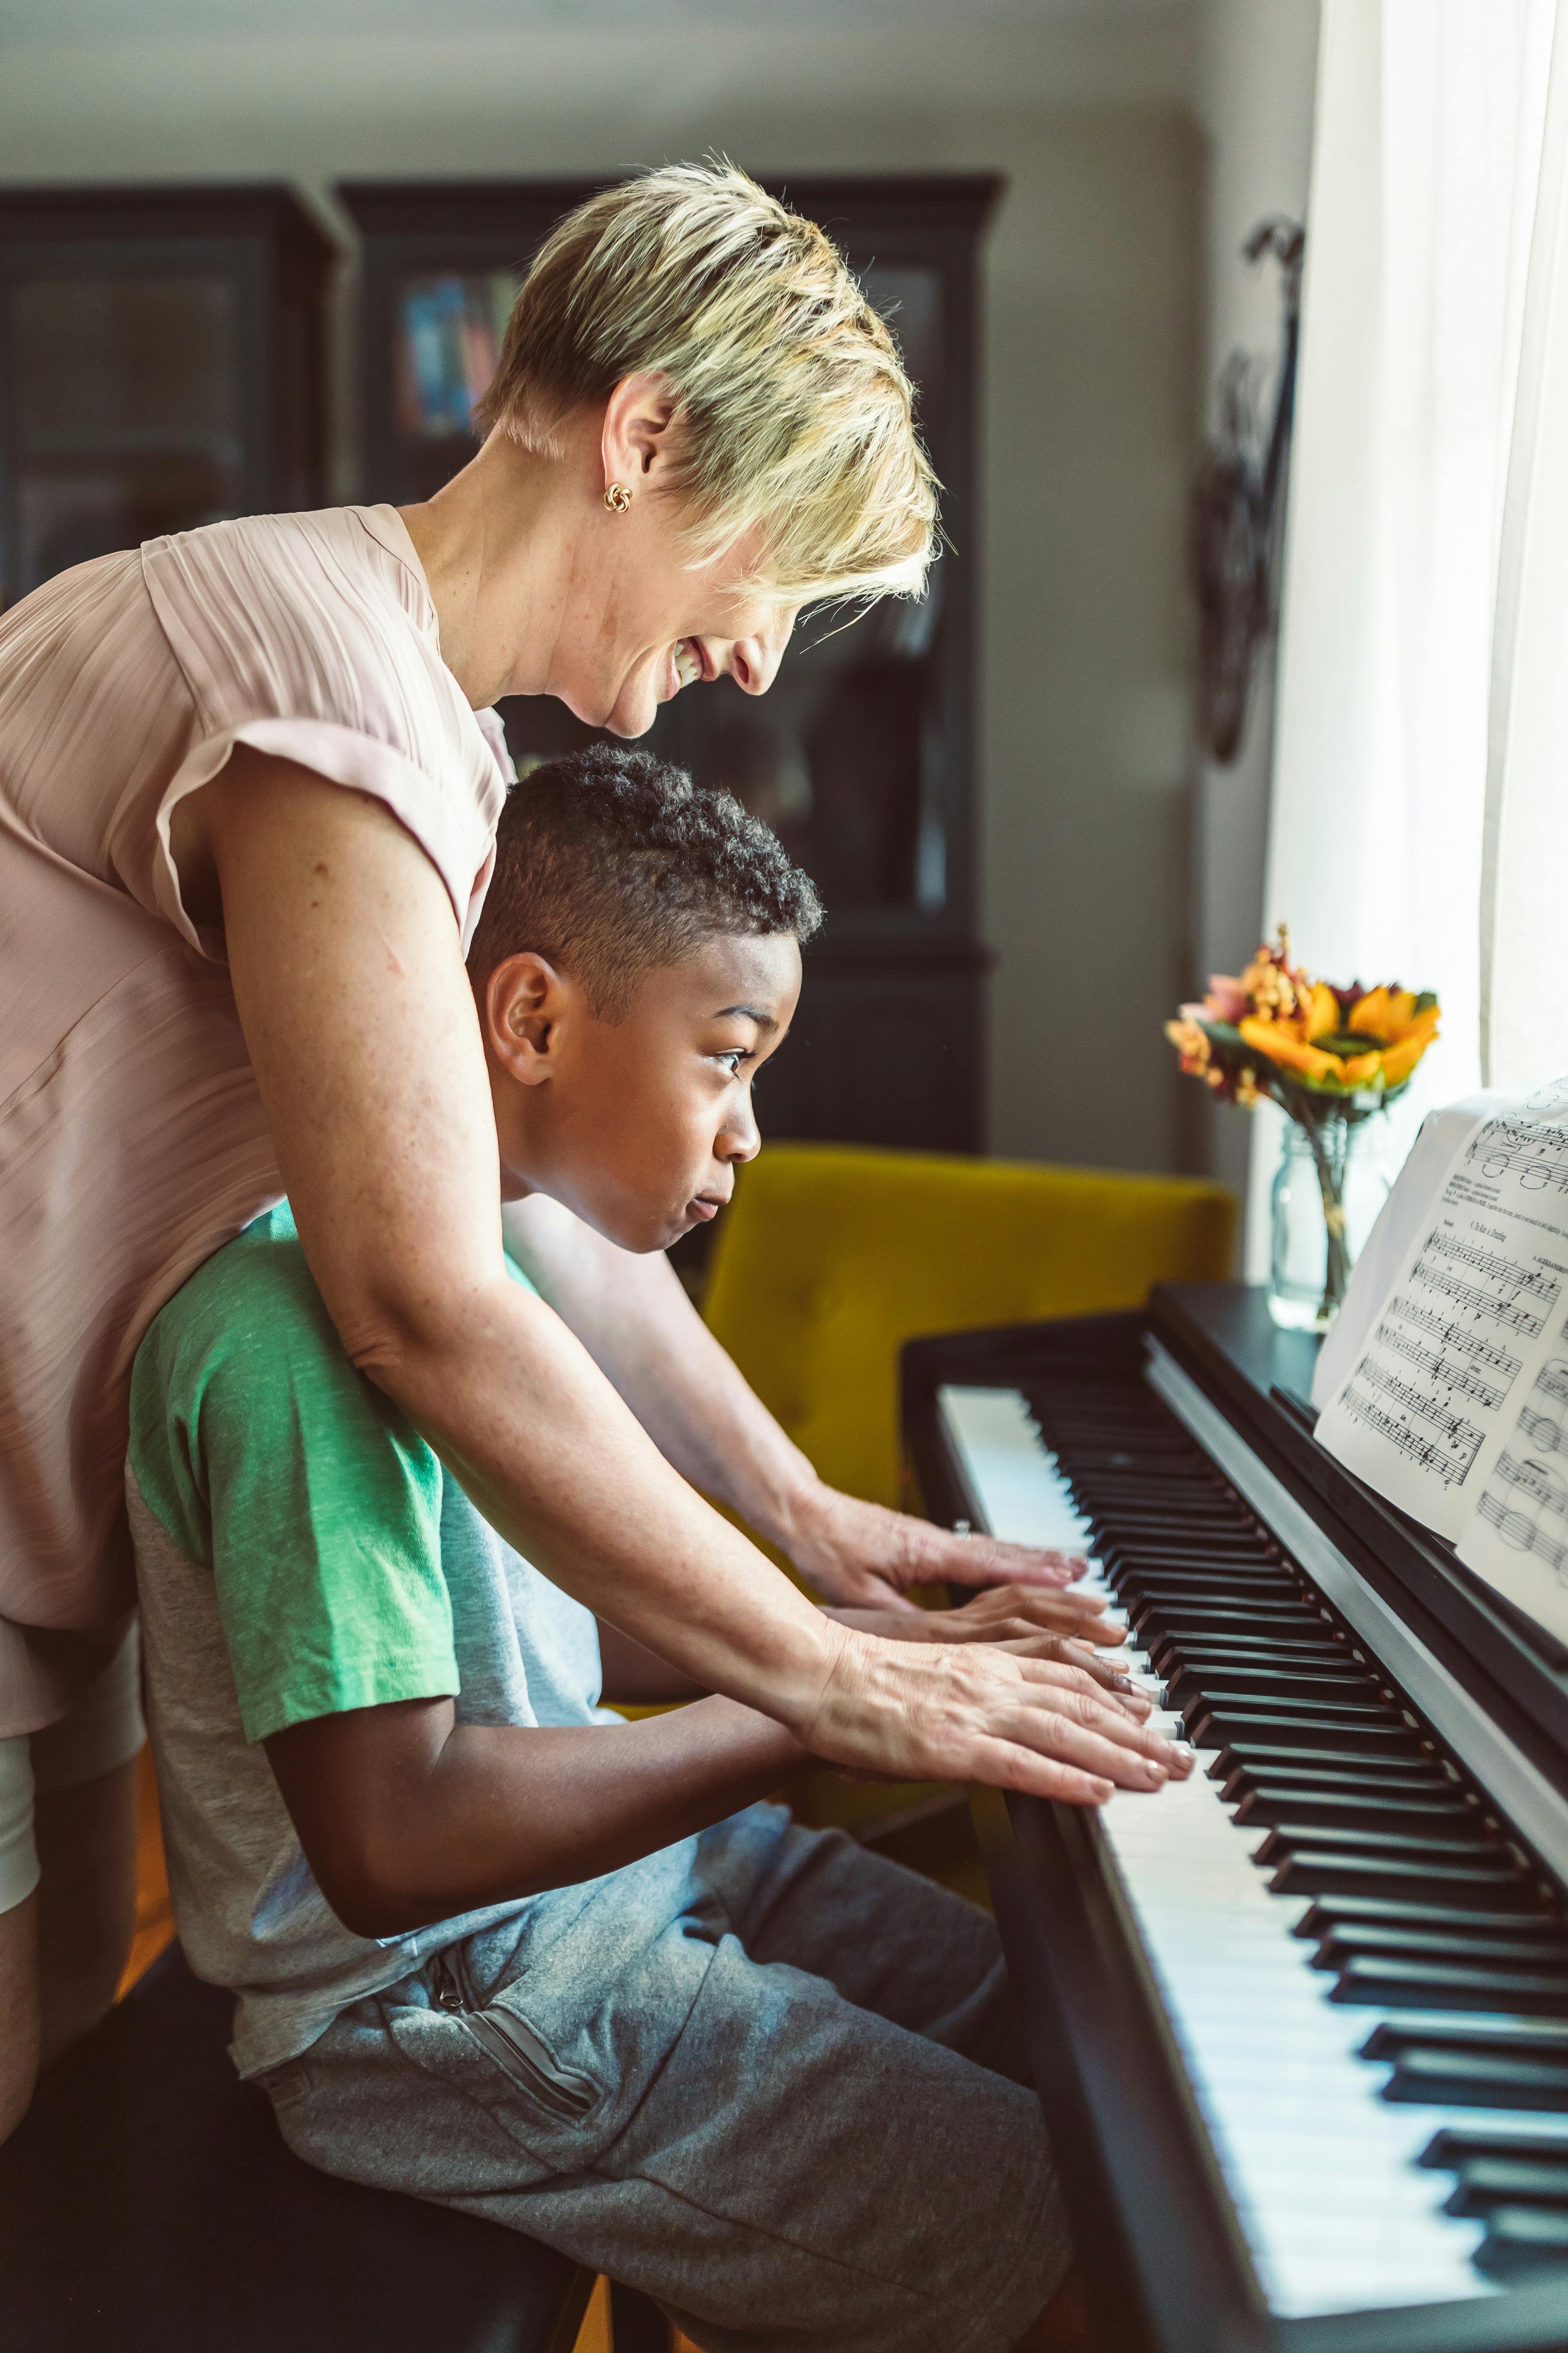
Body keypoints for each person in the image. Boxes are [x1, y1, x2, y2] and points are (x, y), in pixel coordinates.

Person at [0, 162, 1123, 2138]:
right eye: (777, 560)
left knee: (65, 2020)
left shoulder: (436, 737)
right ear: (648, 434)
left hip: (37, 1454)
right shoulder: (322, 673)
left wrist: (816, 1531)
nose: (768, 656)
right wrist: (829, 1685)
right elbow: (425, 1296)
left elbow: (532, 1231)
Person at [128, 748, 1186, 2352]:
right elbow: (392, 1840)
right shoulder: (296, 1340)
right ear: (533, 1020)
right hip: (458, 2006)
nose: (751, 1134)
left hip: (613, 1881)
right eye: (728, 1056)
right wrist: (812, 1701)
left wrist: (879, 1645)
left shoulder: (491, 1274)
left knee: (1116, 2074)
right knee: (1110, 2262)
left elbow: (542, 1644)